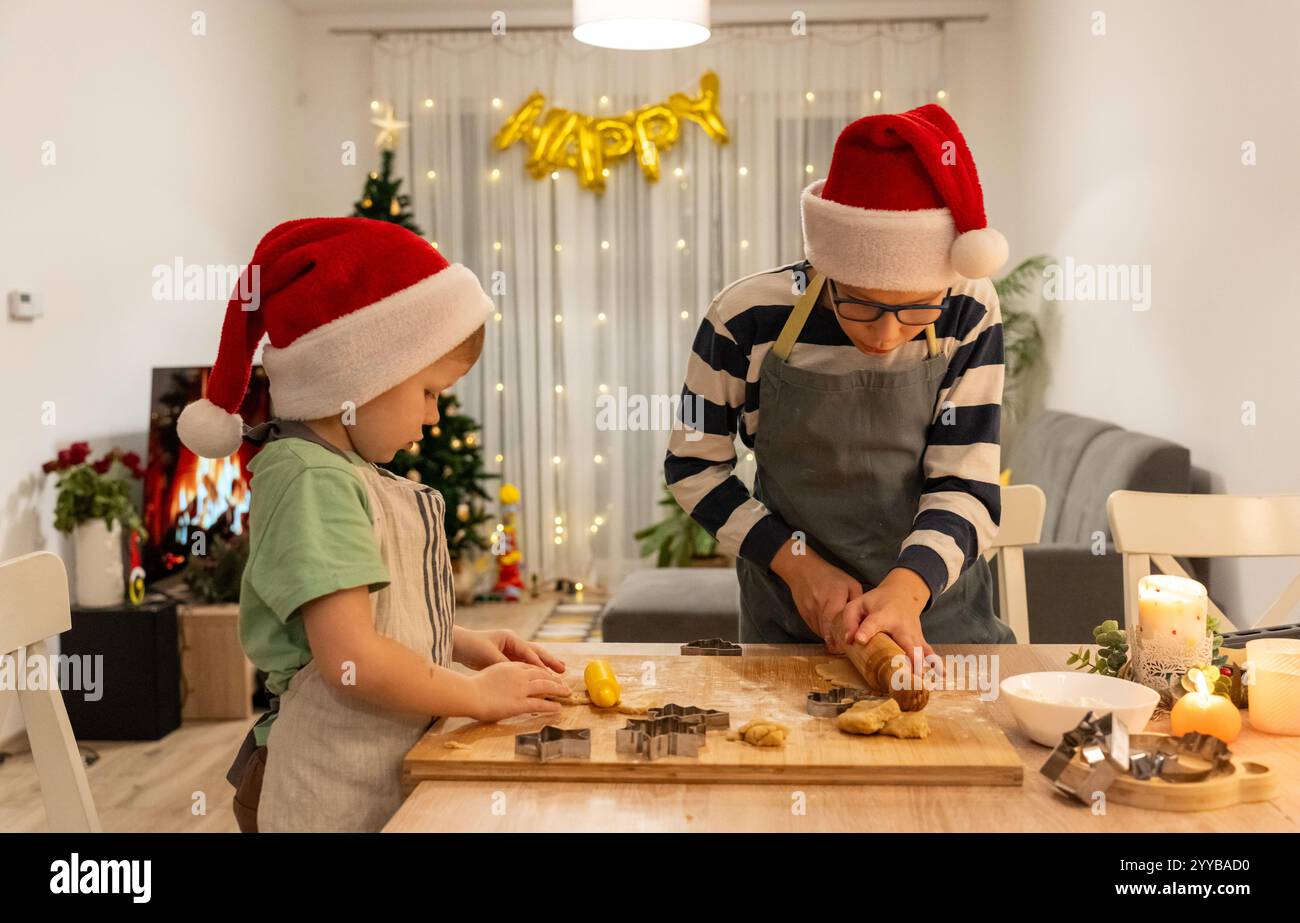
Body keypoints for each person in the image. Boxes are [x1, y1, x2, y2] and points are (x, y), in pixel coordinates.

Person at [178, 217, 569, 832]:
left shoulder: (343, 470)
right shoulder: (314, 482)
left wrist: (464, 644)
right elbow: (349, 656)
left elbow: (369, 615)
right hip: (327, 786)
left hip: (371, 768)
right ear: (362, 378)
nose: (436, 416)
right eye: (430, 392)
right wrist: (476, 696)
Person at [665, 104, 1017, 665]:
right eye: (859, 303)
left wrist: (906, 589)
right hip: (790, 622)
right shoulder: (746, 316)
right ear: (825, 264)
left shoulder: (968, 307)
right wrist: (794, 561)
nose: (884, 334)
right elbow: (693, 465)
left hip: (940, 621)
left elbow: (967, 481)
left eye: (915, 311)